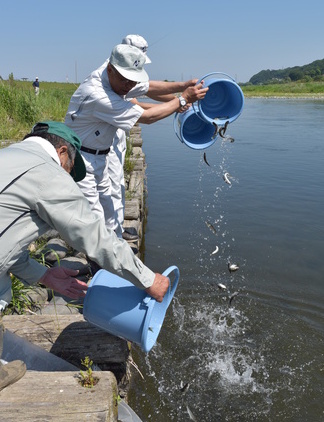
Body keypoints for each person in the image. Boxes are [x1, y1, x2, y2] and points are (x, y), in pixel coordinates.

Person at [0, 120, 170, 390]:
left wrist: (44, 274)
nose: (68, 177)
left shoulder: (10, 157)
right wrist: (148, 279)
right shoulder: (47, 173)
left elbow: (6, 240)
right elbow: (97, 237)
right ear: (63, 152)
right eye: (70, 170)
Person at [65, 43, 208, 241]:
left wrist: (183, 86)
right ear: (109, 69)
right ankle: (99, 263)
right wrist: (181, 100)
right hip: (81, 159)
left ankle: (114, 250)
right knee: (94, 220)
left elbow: (149, 87)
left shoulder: (119, 79)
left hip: (99, 155)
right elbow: (147, 117)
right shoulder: (98, 94)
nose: (129, 86)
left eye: (133, 81)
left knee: (111, 211)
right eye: (126, 81)